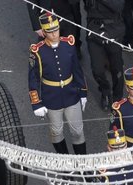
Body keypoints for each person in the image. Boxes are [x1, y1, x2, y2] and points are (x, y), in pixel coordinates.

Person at [28, 13, 88, 156]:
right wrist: (36, 103)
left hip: (71, 94)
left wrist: (83, 92)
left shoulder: (68, 45)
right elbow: (33, 78)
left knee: (78, 131)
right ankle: (65, 162)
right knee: (56, 131)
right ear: (44, 32)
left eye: (56, 29)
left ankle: (83, 165)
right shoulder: (37, 51)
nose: (54, 34)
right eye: (50, 31)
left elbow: (77, 70)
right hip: (51, 97)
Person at [85, 0, 126, 109]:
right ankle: (105, 91)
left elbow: (119, 6)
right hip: (94, 30)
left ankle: (118, 97)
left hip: (114, 29)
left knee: (116, 68)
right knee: (97, 69)